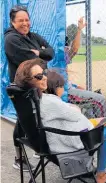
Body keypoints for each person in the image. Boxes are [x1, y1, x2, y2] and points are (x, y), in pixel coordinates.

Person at [14, 58, 106, 183]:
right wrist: (75, 109)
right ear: (28, 81)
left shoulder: (26, 100)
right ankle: (101, 176)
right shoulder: (48, 101)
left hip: (43, 142)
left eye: (44, 73)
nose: (45, 77)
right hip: (60, 144)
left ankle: (92, 169)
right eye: (39, 76)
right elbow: (78, 117)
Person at [4, 5, 55, 171]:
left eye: (27, 20)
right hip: (22, 88)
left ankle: (38, 147)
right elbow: (34, 61)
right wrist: (39, 55)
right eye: (20, 21)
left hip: (37, 84)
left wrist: (39, 53)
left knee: (36, 117)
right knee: (23, 120)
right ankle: (19, 159)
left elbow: (50, 52)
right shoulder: (11, 39)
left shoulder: (32, 35)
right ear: (13, 22)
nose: (25, 23)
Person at [46, 70, 106, 160]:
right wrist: (75, 108)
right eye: (62, 86)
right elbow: (76, 114)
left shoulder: (48, 100)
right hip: (79, 130)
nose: (63, 89)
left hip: (74, 128)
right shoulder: (56, 102)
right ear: (56, 88)